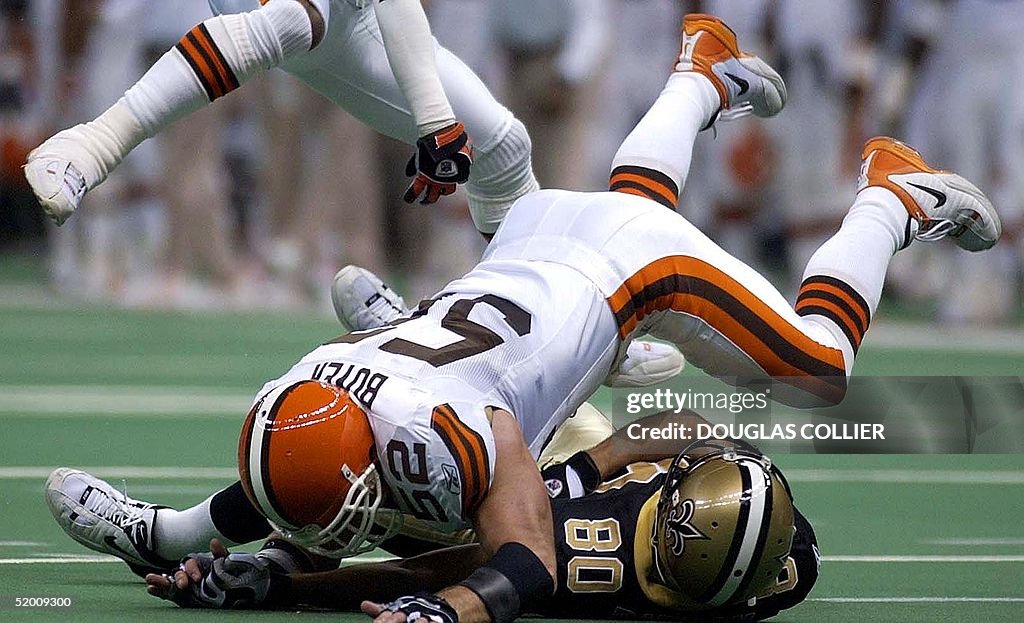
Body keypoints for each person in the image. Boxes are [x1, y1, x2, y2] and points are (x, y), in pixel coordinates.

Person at [46, 12, 1001, 623]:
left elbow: (526, 564)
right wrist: (186, 539)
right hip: (526, 252)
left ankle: (889, 196)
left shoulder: (447, 444)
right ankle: (700, 74)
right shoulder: (318, 386)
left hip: (622, 268)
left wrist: (448, 612)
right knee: (628, 203)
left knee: (820, 364)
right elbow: (284, 480)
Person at [145, 438, 820, 621]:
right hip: (564, 478)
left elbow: (428, 570)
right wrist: (583, 471)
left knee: (372, 489)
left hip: (546, 508)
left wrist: (288, 583)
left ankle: (215, 539)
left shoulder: (594, 569)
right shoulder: (779, 571)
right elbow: (678, 431)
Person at [24, 0, 538, 237]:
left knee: (505, 148)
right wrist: (434, 120)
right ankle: (90, 146)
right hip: (301, 13)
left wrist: (439, 123)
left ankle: (526, 319)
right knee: (294, 18)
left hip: (356, 16)